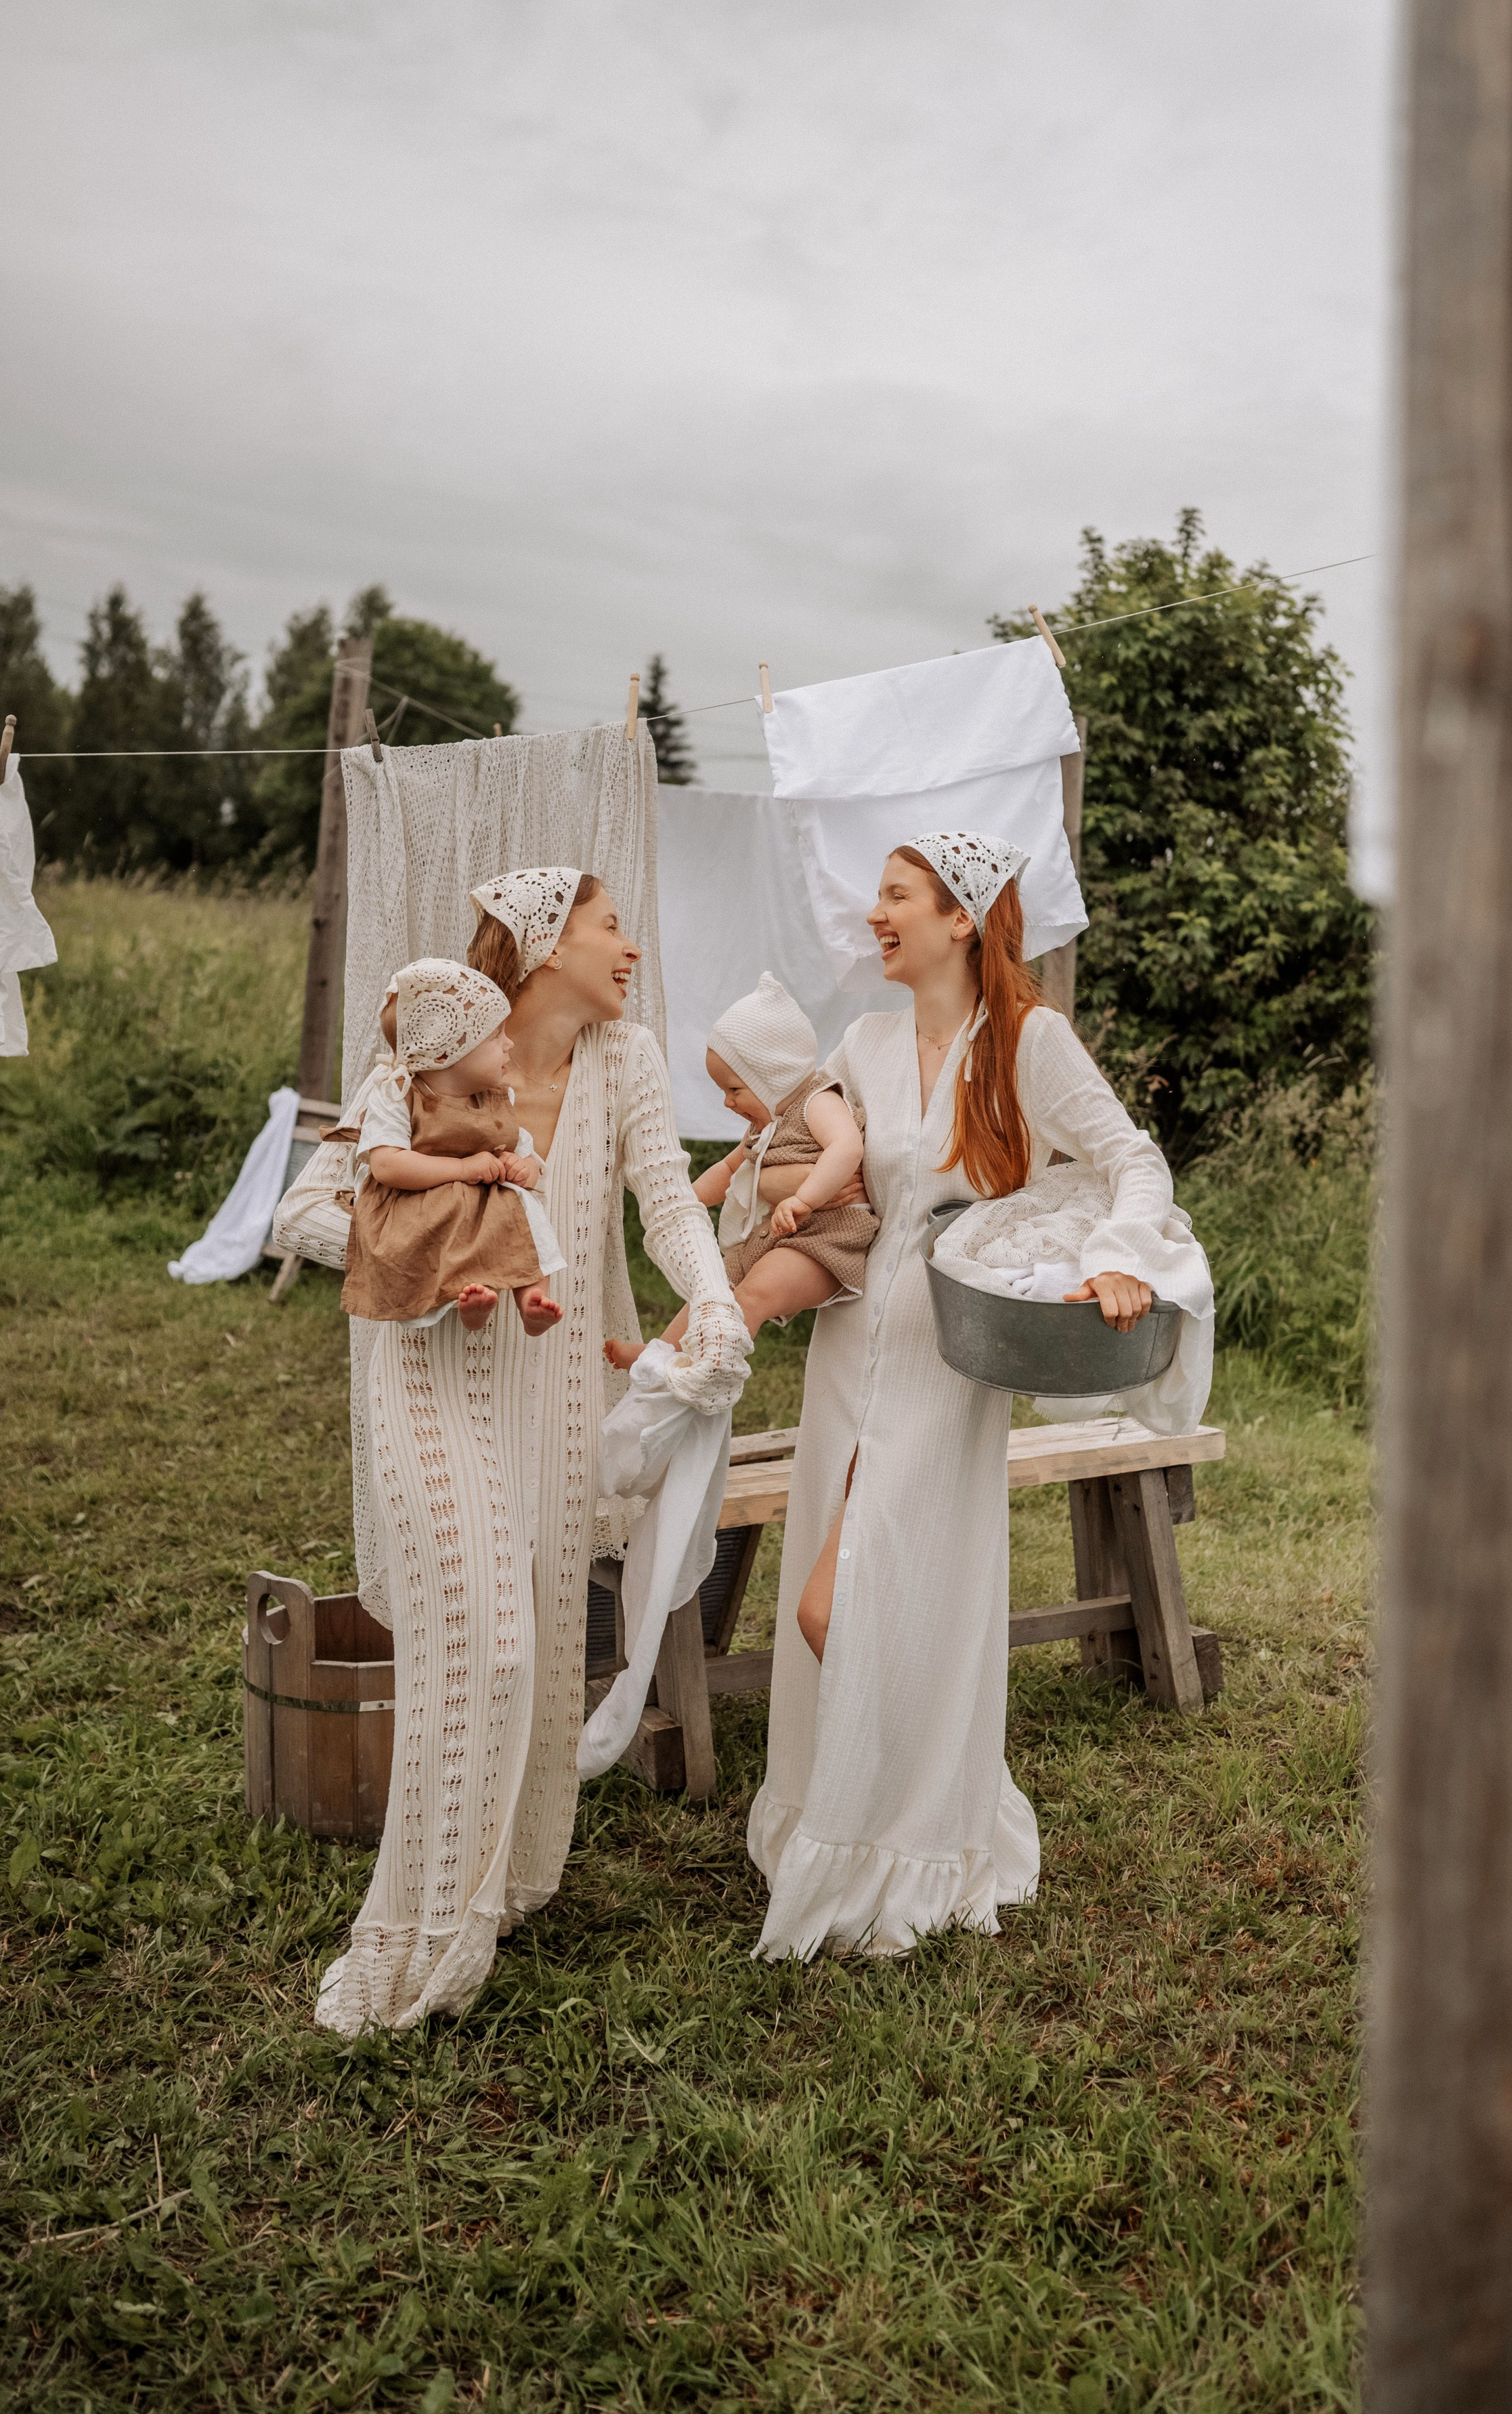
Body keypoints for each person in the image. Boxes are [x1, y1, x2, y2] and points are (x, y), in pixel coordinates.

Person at [748, 832, 1214, 1962]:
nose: (877, 913)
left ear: (962, 916)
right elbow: (796, 1156)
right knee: (846, 1585)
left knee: (854, 1601)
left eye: (896, 895)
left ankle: (906, 1833)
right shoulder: (861, 1044)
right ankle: (842, 1811)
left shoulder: (1029, 1041)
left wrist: (1116, 1254)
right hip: (851, 1344)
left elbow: (1132, 1157)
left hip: (947, 1366)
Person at [316, 874, 749, 2035]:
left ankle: (498, 1890)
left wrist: (715, 1308)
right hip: (430, 1381)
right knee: (485, 1645)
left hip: (556, 1396)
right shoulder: (431, 1035)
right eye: (614, 929)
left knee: (544, 1656)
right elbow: (321, 1201)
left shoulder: (631, 1061)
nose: (633, 953)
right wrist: (436, 1224)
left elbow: (669, 1204)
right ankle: (414, 1930)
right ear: (549, 940)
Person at [604, 970, 877, 1369]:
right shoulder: (762, 1127)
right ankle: (662, 1354)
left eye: (735, 1089)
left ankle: (709, 1365)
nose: (728, 1103)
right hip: (771, 1237)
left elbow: (847, 1146)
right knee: (712, 1292)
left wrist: (804, 1199)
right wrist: (680, 1203)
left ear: (773, 1074)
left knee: (752, 1296)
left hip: (827, 1238)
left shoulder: (817, 1100)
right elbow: (730, 1169)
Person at [339, 957, 564, 1334]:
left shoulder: (494, 1099)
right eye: (496, 1037)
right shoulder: (399, 1094)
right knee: (431, 1244)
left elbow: (527, 1152)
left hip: (480, 1207)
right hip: (414, 1208)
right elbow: (387, 1166)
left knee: (525, 1210)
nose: (509, 1044)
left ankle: (531, 1301)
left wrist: (524, 1167)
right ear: (447, 1053)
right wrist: (462, 1169)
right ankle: (467, 1301)